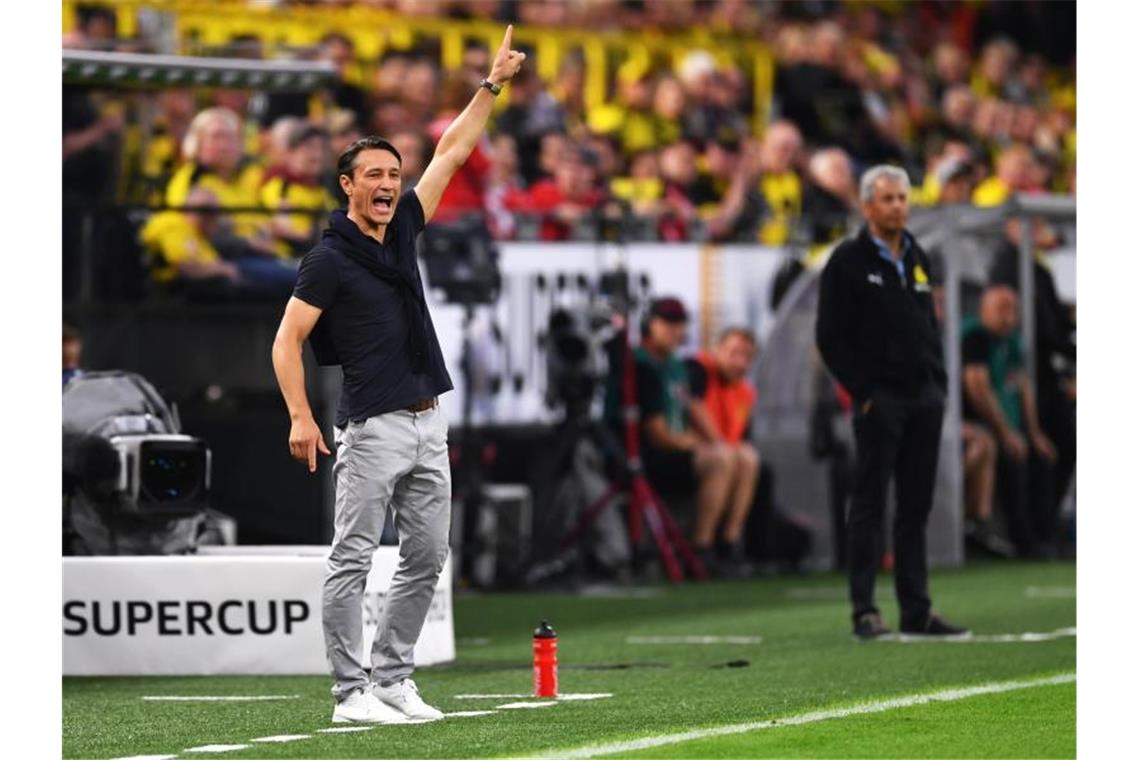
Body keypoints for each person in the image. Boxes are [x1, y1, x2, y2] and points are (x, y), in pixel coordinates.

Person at [270, 25, 526, 726]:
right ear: (348, 186)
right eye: (374, 176)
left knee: (426, 557)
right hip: (373, 424)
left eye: (393, 174)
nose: (388, 185)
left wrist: (491, 85)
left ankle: (392, 679)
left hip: (426, 418)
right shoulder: (328, 259)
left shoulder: (405, 224)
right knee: (352, 560)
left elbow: (452, 152)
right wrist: (299, 414)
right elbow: (287, 341)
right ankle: (349, 694)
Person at [816, 164, 968, 640]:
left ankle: (916, 611)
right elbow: (829, 337)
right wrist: (864, 393)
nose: (898, 206)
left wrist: (936, 383)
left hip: (922, 396)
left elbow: (929, 326)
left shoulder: (918, 257)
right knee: (869, 503)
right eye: (887, 199)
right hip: (880, 400)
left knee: (915, 506)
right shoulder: (848, 260)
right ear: (867, 206)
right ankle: (865, 610)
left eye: (902, 198)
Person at [603, 297, 742, 575]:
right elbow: (657, 433)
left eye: (679, 323)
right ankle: (701, 548)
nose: (674, 330)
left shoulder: (677, 367)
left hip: (675, 445)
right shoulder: (640, 365)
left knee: (743, 457)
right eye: (667, 323)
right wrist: (699, 445)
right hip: (645, 453)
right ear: (649, 325)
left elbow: (689, 410)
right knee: (721, 460)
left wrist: (711, 442)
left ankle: (728, 543)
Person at [961, 285, 1057, 558]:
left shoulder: (1012, 342)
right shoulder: (975, 338)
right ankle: (1017, 540)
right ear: (984, 311)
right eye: (1001, 309)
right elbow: (977, 387)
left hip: (1006, 426)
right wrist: (1006, 433)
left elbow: (1023, 386)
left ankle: (1043, 535)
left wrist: (1035, 433)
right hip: (977, 424)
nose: (1008, 316)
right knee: (1009, 457)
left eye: (1013, 310)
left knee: (1043, 455)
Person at [687, 327, 762, 572]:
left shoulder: (745, 392)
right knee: (725, 457)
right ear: (717, 350)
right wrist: (719, 442)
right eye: (734, 353)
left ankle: (730, 542)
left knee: (749, 458)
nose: (740, 362)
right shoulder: (698, 369)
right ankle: (702, 545)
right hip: (691, 449)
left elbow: (743, 436)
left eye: (747, 357)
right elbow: (693, 405)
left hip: (723, 453)